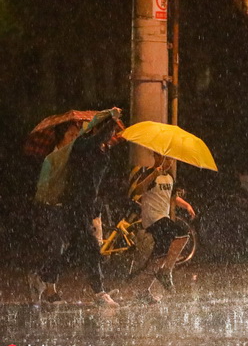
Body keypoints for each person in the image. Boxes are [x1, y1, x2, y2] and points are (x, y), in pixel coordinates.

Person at [30, 108, 123, 307]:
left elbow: (95, 175)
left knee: (72, 250)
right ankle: (98, 292)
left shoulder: (92, 148)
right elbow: (44, 189)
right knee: (84, 248)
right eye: (70, 134)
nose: (74, 136)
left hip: (80, 206)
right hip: (64, 207)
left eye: (75, 133)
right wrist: (111, 121)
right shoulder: (79, 146)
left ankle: (43, 277)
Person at [128, 152, 196, 304]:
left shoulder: (169, 177)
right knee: (182, 233)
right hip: (153, 218)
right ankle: (166, 272)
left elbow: (172, 196)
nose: (168, 161)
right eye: (165, 158)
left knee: (160, 256)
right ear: (156, 157)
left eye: (171, 159)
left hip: (163, 219)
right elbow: (138, 191)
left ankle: (144, 292)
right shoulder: (149, 173)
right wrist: (154, 174)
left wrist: (186, 205)